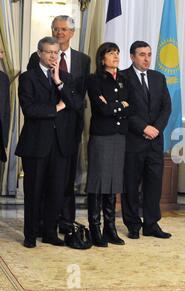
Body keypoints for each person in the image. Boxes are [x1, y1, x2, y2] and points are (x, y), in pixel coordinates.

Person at [27, 15, 90, 234]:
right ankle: (41, 225)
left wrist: (61, 86)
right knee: (41, 183)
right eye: (56, 29)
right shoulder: (35, 61)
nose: (59, 33)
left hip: (69, 130)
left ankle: (64, 222)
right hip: (43, 132)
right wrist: (55, 108)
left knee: (64, 181)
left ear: (72, 33)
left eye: (63, 29)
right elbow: (33, 96)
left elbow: (78, 99)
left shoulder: (83, 60)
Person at [16, 37, 81, 248]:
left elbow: (76, 104)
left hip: (60, 145)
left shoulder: (66, 78)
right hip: (36, 144)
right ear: (39, 54)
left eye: (56, 52)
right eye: (49, 52)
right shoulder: (27, 78)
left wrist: (58, 82)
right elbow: (30, 110)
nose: (53, 56)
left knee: (56, 190)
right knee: (34, 191)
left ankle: (50, 233)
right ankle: (30, 234)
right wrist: (56, 109)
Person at [120, 41, 172, 240]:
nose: (147, 58)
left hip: (155, 142)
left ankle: (151, 224)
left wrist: (156, 128)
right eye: (142, 54)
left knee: (154, 184)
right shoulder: (123, 77)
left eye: (149, 54)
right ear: (132, 56)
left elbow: (166, 107)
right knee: (131, 185)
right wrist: (143, 128)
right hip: (133, 141)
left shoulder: (158, 77)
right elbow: (125, 109)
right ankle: (133, 224)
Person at [85, 42, 131, 247]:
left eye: (117, 53)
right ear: (102, 58)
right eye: (111, 53)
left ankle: (109, 228)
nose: (115, 56)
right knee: (98, 182)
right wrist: (120, 105)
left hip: (119, 136)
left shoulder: (124, 79)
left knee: (113, 182)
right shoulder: (94, 80)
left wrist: (115, 105)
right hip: (102, 136)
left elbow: (131, 107)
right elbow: (101, 109)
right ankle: (95, 227)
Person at [0, 48, 10, 163]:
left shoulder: (3, 78)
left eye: (2, 52)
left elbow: (6, 110)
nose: (1, 57)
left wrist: (5, 139)